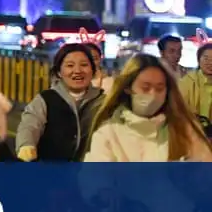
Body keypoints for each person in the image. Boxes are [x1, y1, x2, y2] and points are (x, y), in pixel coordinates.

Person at [84, 54, 212, 162]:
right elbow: (96, 184)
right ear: (128, 88)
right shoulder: (109, 133)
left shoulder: (185, 130)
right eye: (145, 88)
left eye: (160, 88)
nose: (153, 94)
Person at [16, 43, 105, 162]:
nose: (77, 71)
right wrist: (26, 145)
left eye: (84, 65)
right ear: (59, 72)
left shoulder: (103, 101)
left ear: (93, 70)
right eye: (70, 65)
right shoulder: (46, 99)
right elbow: (30, 125)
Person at [178, 43, 212, 137]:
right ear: (198, 59)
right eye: (206, 58)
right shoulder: (187, 81)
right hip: (192, 132)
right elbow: (179, 108)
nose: (210, 62)